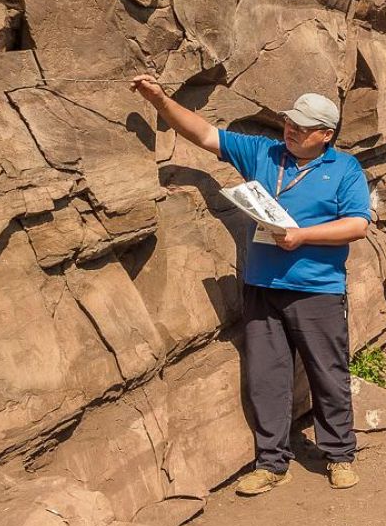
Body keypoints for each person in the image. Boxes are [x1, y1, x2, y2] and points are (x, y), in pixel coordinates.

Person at [130, 76, 372, 496]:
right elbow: (204, 133)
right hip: (261, 286)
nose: (291, 130)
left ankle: (339, 455)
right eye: (289, 122)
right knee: (267, 377)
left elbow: (358, 225)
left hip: (318, 290)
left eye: (302, 126)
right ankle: (272, 462)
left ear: (326, 135)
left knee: (327, 374)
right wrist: (161, 101)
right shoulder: (264, 152)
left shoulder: (345, 168)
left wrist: (303, 237)